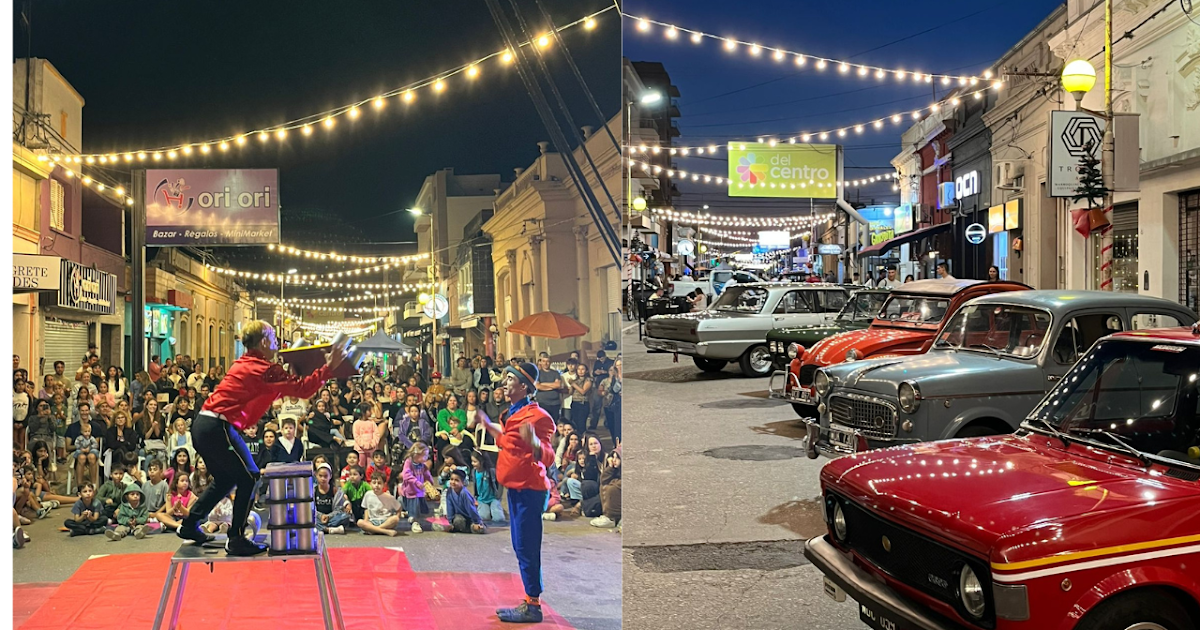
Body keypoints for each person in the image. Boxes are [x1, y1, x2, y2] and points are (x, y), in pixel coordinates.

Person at [177, 320, 346, 556]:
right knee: (249, 476)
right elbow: (303, 390)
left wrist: (297, 371)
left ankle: (189, 524)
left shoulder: (251, 363)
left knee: (227, 479)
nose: (277, 342)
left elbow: (282, 387)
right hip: (218, 426)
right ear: (264, 340)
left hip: (207, 424)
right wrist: (329, 368)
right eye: (274, 337)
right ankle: (236, 538)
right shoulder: (264, 369)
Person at [474, 360, 556, 623]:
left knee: (527, 546)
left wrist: (534, 443)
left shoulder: (539, 417)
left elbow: (549, 456)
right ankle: (531, 600)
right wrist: (487, 424)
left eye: (509, 379)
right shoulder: (512, 412)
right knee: (521, 545)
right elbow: (509, 441)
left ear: (523, 385)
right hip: (517, 490)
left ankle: (533, 605)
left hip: (530, 490)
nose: (503, 383)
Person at [434, 468, 486, 534]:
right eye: (451, 479)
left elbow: (471, 509)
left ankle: (473, 527)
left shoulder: (464, 493)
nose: (453, 482)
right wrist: (450, 523)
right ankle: (457, 528)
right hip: (457, 517)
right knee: (437, 525)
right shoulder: (449, 491)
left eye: (456, 480)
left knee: (478, 529)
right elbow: (450, 508)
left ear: (463, 483)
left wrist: (476, 522)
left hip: (469, 519)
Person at [400, 442, 435, 533]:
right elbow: (406, 475)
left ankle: (415, 516)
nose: (426, 458)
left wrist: (430, 481)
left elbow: (426, 473)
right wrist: (416, 482)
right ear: (417, 454)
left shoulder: (422, 465)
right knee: (413, 506)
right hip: (411, 490)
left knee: (421, 507)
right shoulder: (409, 462)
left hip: (419, 490)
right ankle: (414, 522)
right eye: (424, 455)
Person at [357, 470, 402, 537]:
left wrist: (397, 517)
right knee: (360, 522)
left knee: (395, 518)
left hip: (385, 521)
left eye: (379, 483)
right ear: (370, 484)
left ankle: (373, 530)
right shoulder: (368, 494)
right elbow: (366, 508)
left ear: (384, 485)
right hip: (373, 521)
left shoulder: (389, 497)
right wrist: (366, 520)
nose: (376, 485)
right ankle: (384, 531)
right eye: (374, 483)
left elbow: (399, 508)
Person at [313, 463, 353, 535]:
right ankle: (330, 529)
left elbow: (338, 508)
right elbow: (311, 508)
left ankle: (322, 529)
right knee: (309, 519)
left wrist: (328, 516)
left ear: (330, 476)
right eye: (320, 476)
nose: (323, 479)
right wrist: (320, 516)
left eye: (325, 476)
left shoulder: (336, 491)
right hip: (318, 518)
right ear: (316, 476)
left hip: (331, 517)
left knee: (345, 516)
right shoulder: (313, 490)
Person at [470, 450, 505, 524]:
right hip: (482, 500)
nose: (472, 464)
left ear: (482, 461)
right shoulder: (474, 472)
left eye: (475, 461)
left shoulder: (491, 471)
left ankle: (496, 509)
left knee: (499, 518)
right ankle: (489, 510)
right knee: (483, 517)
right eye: (472, 461)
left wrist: (498, 496)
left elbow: (500, 483)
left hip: (493, 498)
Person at [590, 449, 622, 529]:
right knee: (604, 486)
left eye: (617, 458)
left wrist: (613, 482)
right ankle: (609, 517)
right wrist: (610, 467)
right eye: (613, 457)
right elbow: (603, 480)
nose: (614, 460)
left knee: (612, 489)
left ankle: (614, 517)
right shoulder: (615, 469)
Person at [533, 354, 564, 423]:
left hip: (555, 403)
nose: (546, 363)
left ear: (550, 362)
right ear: (540, 362)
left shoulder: (555, 373)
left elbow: (558, 385)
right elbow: (538, 386)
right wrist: (552, 385)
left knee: (554, 423)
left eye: (547, 361)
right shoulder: (537, 373)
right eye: (544, 361)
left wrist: (543, 384)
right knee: (544, 423)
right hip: (542, 403)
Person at [569, 363, 592, 434]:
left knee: (581, 424)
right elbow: (570, 393)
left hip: (583, 404)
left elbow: (583, 391)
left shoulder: (588, 380)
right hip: (574, 403)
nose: (580, 371)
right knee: (575, 423)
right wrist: (571, 386)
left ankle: (583, 439)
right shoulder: (575, 380)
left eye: (582, 369)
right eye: (579, 369)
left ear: (586, 371)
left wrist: (573, 384)